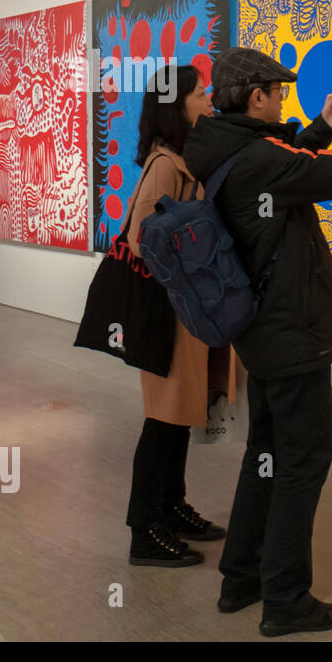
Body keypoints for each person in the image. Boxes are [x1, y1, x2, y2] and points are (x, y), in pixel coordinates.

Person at [183, 47, 332, 637]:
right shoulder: (257, 157)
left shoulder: (224, 146)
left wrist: (323, 127)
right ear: (257, 97)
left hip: (262, 332)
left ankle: (242, 577)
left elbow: (286, 158)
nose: (284, 100)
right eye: (280, 92)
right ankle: (287, 600)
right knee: (302, 461)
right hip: (291, 331)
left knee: (267, 456)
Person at [124, 64, 236, 568]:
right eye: (201, 93)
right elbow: (139, 235)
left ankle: (171, 507)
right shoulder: (165, 164)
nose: (209, 98)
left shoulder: (182, 157)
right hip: (170, 313)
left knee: (179, 417)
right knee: (162, 421)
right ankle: (145, 531)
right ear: (179, 103)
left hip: (188, 312)